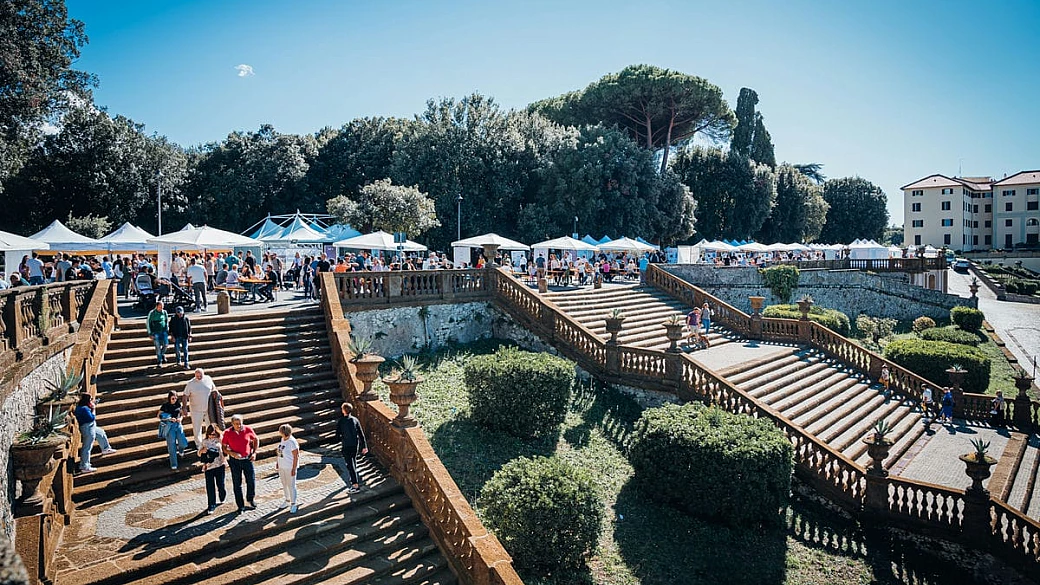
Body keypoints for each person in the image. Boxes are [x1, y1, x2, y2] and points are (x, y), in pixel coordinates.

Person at [221, 414, 259, 513]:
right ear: (232, 424)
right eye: (236, 424)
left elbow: (255, 439)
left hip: (247, 459)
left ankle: (250, 498)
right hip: (235, 462)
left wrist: (254, 453)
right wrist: (231, 453)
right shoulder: (227, 433)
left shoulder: (248, 429)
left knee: (251, 480)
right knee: (237, 484)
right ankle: (240, 506)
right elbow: (224, 447)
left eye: (240, 423)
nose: (239, 426)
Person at [75, 394, 116, 473]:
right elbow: (91, 418)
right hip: (88, 428)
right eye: (90, 399)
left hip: (91, 426)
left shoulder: (82, 407)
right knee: (87, 447)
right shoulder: (84, 409)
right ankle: (84, 466)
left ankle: (106, 448)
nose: (91, 400)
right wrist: (93, 408)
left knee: (101, 433)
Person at [336, 402, 368, 493]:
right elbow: (361, 434)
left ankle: (355, 485)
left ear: (343, 410)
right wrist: (364, 446)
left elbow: (337, 435)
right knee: (353, 462)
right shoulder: (355, 420)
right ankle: (354, 479)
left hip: (346, 445)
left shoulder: (341, 421)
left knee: (350, 465)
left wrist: (340, 438)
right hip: (355, 445)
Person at [198, 425, 226, 514]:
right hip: (208, 466)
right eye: (210, 434)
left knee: (220, 484)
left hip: (219, 465)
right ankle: (211, 505)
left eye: (214, 434)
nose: (212, 436)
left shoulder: (220, 440)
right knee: (210, 487)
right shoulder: (204, 441)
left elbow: (225, 449)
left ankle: (222, 495)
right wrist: (202, 451)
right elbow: (199, 453)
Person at [185, 368, 216, 448]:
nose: (198, 377)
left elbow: (214, 389)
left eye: (200, 376)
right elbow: (185, 395)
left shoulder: (208, 379)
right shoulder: (190, 383)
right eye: (197, 376)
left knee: (210, 426)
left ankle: (210, 441)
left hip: (208, 409)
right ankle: (199, 444)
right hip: (196, 410)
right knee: (197, 428)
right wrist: (184, 408)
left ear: (203, 374)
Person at [158, 391, 190, 469]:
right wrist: (169, 418)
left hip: (178, 425)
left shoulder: (178, 404)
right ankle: (174, 463)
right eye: (173, 398)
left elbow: (181, 414)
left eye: (176, 398)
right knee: (171, 445)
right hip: (169, 426)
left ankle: (181, 450)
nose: (174, 400)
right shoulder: (165, 406)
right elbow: (159, 416)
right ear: (169, 398)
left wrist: (180, 419)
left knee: (183, 442)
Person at [276, 424, 300, 513]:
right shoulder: (282, 439)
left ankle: (293, 504)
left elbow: (296, 456)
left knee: (291, 485)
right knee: (284, 484)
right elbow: (280, 451)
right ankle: (287, 500)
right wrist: (277, 462)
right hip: (282, 466)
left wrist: (294, 468)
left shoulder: (292, 442)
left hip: (289, 467)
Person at [146, 301, 170, 367]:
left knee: (166, 344)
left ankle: (162, 354)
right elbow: (148, 323)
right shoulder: (152, 313)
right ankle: (159, 360)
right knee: (158, 347)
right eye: (160, 307)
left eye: (162, 307)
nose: (161, 308)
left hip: (163, 331)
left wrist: (167, 329)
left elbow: (166, 321)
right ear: (156, 306)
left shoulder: (164, 312)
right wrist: (150, 333)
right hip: (155, 332)